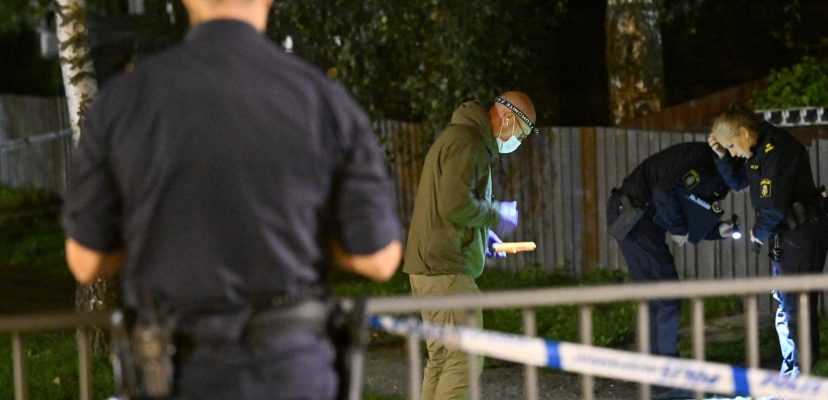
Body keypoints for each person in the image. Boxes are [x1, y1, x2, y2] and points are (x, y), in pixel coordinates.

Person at [61, 0, 403, 399]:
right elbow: (379, 258)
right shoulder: (326, 101)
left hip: (175, 369)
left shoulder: (122, 102)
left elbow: (86, 261)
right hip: (292, 371)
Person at [403, 91, 537, 399]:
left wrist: (482, 238)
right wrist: (496, 214)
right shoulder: (469, 144)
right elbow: (455, 203)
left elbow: (450, 203)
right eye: (521, 133)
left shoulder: (460, 138)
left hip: (429, 267)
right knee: (466, 357)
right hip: (445, 268)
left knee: (442, 359)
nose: (518, 141)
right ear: (507, 119)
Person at [708, 104, 828, 378]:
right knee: (787, 304)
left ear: (743, 133)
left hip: (801, 233)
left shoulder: (776, 151)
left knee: (796, 305)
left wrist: (757, 233)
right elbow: (741, 181)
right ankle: (793, 371)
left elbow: (773, 208)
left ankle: (806, 376)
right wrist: (721, 157)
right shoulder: (759, 150)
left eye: (730, 146)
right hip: (788, 234)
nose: (732, 152)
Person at [607, 142, 736, 399]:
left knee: (661, 299)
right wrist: (678, 230)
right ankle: (664, 381)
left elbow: (689, 206)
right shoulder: (702, 163)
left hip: (640, 218)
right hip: (634, 219)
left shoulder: (711, 168)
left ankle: (661, 374)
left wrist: (716, 231)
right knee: (665, 298)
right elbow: (664, 191)